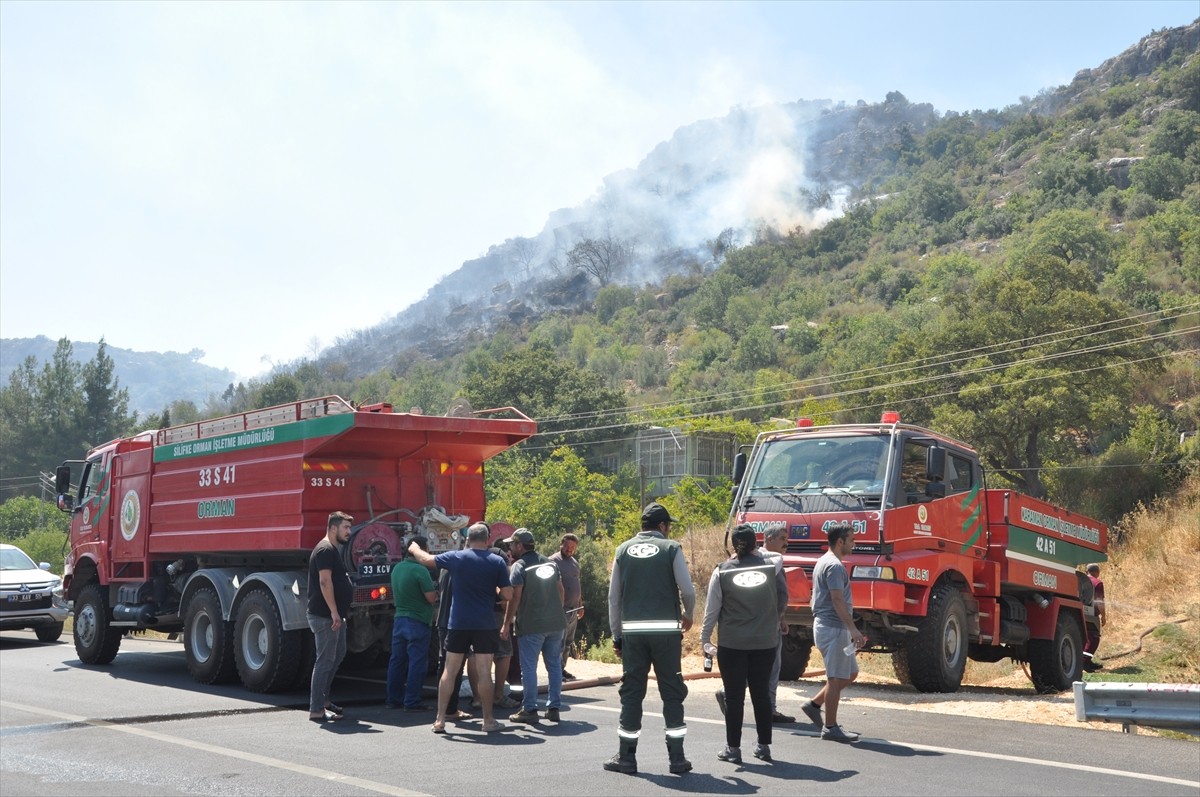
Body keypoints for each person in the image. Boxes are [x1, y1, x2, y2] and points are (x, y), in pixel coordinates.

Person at [603, 502, 697, 776]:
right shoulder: (671, 548)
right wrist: (688, 614)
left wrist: (617, 635)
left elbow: (613, 599)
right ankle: (677, 759)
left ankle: (626, 758)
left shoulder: (622, 550)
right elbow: (688, 590)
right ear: (662, 526)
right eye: (669, 525)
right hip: (667, 634)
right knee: (672, 692)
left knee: (632, 693)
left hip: (633, 635)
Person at [408, 522, 512, 734]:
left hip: (458, 623)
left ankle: (439, 720)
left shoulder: (456, 557)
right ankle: (488, 720)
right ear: (487, 540)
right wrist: (494, 586)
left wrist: (413, 548)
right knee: (484, 673)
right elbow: (508, 595)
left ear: (468, 539)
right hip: (484, 624)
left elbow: (427, 560)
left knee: (450, 671)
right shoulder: (496, 561)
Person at [701, 524, 789, 763]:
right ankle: (763, 746)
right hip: (764, 643)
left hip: (733, 643)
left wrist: (705, 638)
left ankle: (733, 748)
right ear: (755, 544)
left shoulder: (722, 571)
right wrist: (757, 552)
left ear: (733, 546)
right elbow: (778, 555)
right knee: (761, 695)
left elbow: (712, 610)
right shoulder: (771, 565)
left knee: (734, 696)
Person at [715, 525, 794, 724]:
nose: (786, 543)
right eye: (782, 538)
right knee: (769, 669)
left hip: (736, 630)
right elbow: (781, 594)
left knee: (745, 668)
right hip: (766, 628)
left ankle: (728, 694)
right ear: (768, 539)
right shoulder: (771, 562)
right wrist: (779, 618)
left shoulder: (735, 561)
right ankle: (770, 711)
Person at [799, 523, 864, 742]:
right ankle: (830, 727)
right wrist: (853, 629)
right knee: (836, 678)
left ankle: (814, 704)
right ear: (840, 542)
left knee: (850, 673)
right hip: (834, 628)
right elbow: (837, 600)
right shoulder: (834, 566)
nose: (854, 544)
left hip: (832, 627)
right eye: (852, 540)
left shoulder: (824, 561)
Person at [503, 528, 567, 723]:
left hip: (532, 625)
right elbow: (561, 591)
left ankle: (529, 709)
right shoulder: (550, 563)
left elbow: (515, 598)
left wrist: (506, 624)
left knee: (529, 668)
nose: (510, 548)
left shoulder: (519, 566)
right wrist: (555, 611)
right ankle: (554, 707)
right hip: (556, 623)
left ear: (520, 546)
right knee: (554, 666)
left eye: (512, 544)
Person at [307, 511, 354, 724]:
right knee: (324, 661)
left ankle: (324, 701)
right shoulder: (325, 549)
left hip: (334, 615)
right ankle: (316, 709)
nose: (349, 532)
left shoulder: (332, 549)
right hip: (325, 616)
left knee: (338, 654)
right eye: (345, 527)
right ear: (333, 528)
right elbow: (325, 582)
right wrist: (334, 612)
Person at [385, 535, 438, 710]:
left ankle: (393, 699)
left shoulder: (397, 568)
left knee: (397, 661)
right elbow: (430, 598)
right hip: (418, 621)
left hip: (399, 619)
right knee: (417, 662)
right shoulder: (420, 570)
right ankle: (412, 701)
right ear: (421, 550)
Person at [549, 533, 583, 680]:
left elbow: (577, 584)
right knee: (558, 643)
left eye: (573, 547)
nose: (570, 549)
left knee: (568, 642)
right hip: (559, 610)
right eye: (568, 546)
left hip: (574, 609)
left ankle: (562, 669)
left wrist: (581, 604)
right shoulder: (552, 561)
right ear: (561, 544)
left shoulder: (574, 562)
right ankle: (555, 672)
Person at [1083, 563, 1107, 672]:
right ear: (1097, 572)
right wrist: (1104, 616)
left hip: (1078, 612)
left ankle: (1086, 661)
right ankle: (1085, 662)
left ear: (1086, 571)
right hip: (1091, 614)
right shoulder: (1097, 583)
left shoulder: (1079, 580)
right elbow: (1099, 601)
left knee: (1085, 638)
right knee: (1094, 639)